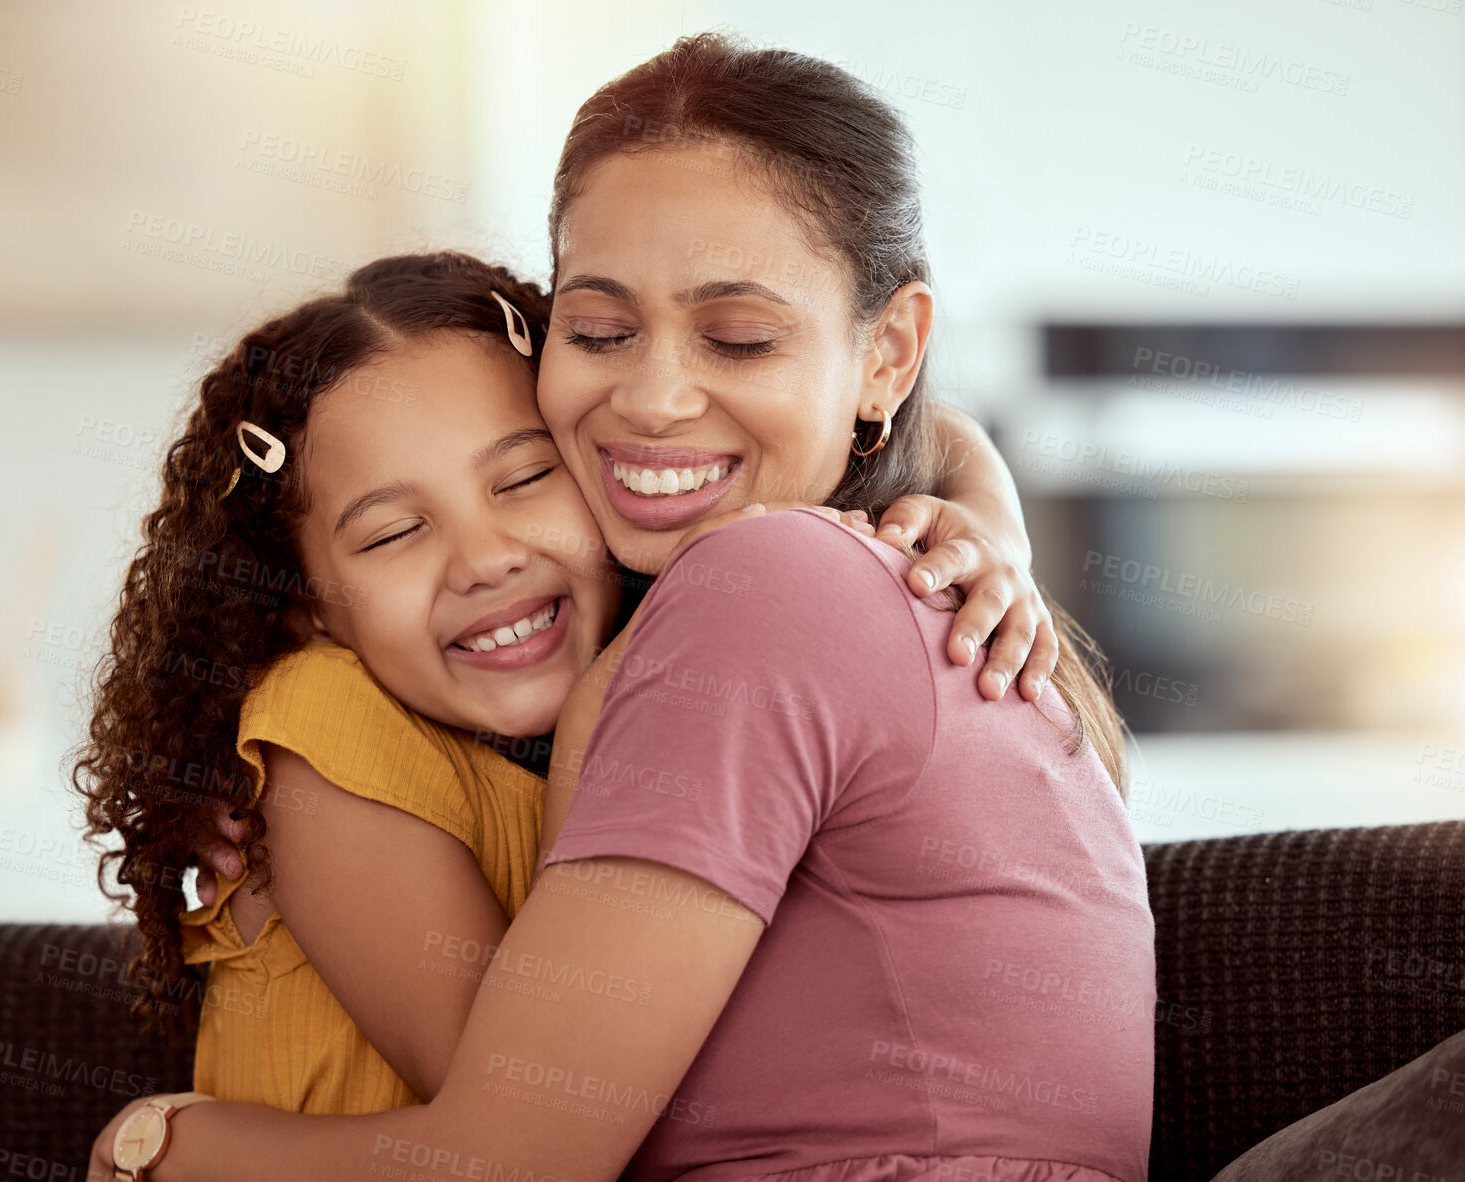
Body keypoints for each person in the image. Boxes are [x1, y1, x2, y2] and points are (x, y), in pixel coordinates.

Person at [88, 31, 1153, 1182]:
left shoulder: (763, 584)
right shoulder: (833, 574)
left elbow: (511, 1152)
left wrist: (153, 1145)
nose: (650, 400)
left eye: (737, 336)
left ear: (887, 354)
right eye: (597, 333)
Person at [74, 253, 1047, 1117]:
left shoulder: (652, 687)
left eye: (523, 479)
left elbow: (924, 421)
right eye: (391, 534)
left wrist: (995, 524)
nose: (484, 559)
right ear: (305, 606)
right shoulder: (321, 722)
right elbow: (531, 1114)